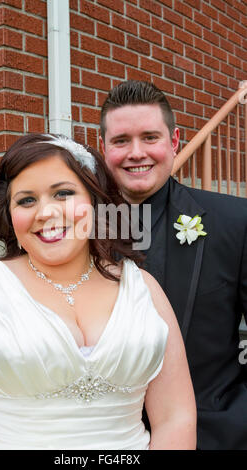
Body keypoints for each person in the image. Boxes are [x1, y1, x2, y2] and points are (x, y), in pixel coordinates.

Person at [0, 133, 196, 450]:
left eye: (63, 193)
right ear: (11, 217)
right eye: (26, 200)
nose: (46, 212)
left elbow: (176, 417)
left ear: (94, 202)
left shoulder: (143, 289)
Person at [99, 79, 247, 450]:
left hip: (213, 433)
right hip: (103, 440)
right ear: (104, 148)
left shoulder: (235, 221)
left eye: (150, 137)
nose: (136, 153)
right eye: (121, 141)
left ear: (174, 141)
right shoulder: (77, 231)